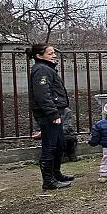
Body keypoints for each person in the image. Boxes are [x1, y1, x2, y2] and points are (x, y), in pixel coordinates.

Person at [26, 43, 74, 190]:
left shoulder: (46, 68)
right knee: (50, 146)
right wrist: (52, 114)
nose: (54, 56)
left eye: (54, 53)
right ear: (39, 56)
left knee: (59, 144)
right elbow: (43, 95)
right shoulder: (41, 70)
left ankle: (56, 174)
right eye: (50, 53)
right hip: (48, 114)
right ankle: (48, 181)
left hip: (55, 111)